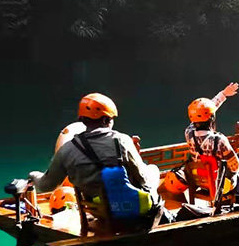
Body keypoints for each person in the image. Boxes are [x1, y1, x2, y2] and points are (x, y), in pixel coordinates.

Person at [29, 93, 160, 229]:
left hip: (98, 212)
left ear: (83, 120)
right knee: (152, 170)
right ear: (105, 120)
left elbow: (46, 185)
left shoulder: (66, 150)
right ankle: (159, 218)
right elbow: (143, 179)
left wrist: (33, 176)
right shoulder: (121, 140)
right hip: (130, 208)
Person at [184, 83, 239, 204]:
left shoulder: (188, 133)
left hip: (200, 181)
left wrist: (223, 95)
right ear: (212, 119)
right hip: (219, 184)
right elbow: (236, 167)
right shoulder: (219, 140)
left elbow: (202, 114)